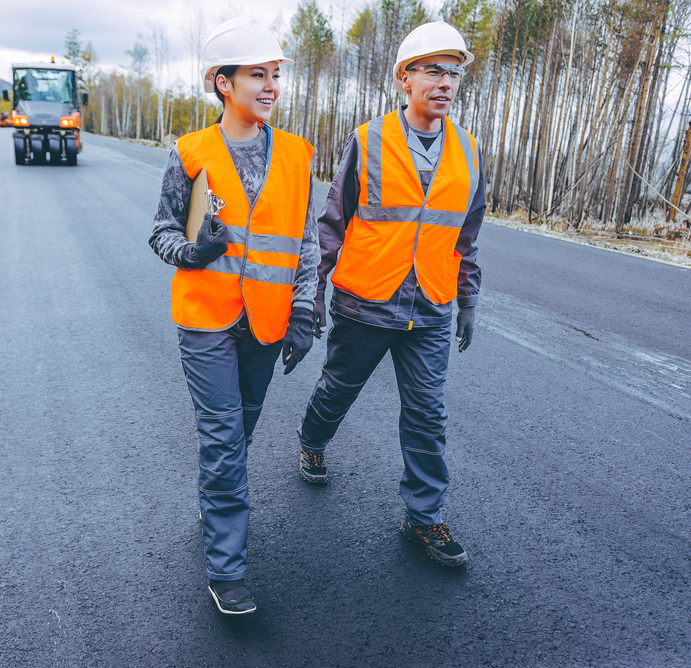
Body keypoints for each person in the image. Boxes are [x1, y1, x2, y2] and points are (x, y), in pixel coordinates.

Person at [295, 21, 484, 568]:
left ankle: (423, 519)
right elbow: (331, 224)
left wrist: (467, 299)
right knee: (338, 390)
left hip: (429, 307)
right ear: (405, 78)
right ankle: (312, 439)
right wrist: (311, 297)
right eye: (433, 71)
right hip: (366, 300)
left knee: (427, 414)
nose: (446, 83)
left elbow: (465, 236)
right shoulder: (369, 139)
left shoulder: (468, 151)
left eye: (454, 74)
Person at [148, 18, 318, 615]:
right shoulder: (191, 153)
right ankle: (228, 570)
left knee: (240, 431)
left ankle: (216, 500)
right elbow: (162, 230)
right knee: (223, 440)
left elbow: (305, 243)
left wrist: (304, 311)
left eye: (275, 75)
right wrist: (191, 252)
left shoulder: (298, 155)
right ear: (223, 83)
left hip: (267, 325)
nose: (270, 86)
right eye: (256, 75)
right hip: (206, 320)